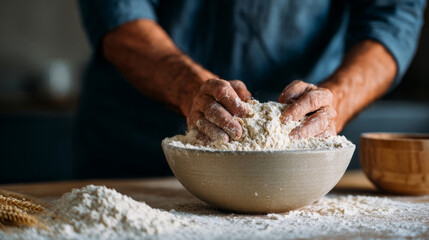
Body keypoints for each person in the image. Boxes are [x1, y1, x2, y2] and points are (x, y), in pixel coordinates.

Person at [75, 0, 426, 178]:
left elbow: (394, 17)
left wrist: (335, 100)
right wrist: (187, 87)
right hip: (140, 146)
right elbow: (117, 10)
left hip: (298, 159)